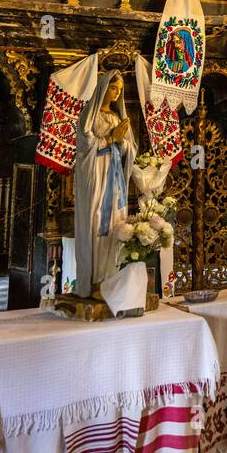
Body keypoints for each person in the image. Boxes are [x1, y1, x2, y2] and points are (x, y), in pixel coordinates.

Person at [71, 71, 135, 296]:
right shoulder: (91, 115)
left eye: (119, 90)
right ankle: (95, 280)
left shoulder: (117, 117)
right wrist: (111, 138)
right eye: (113, 88)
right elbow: (85, 145)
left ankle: (111, 277)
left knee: (115, 221)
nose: (117, 93)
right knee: (97, 220)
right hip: (97, 173)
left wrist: (122, 142)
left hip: (114, 174)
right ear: (103, 88)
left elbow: (129, 147)